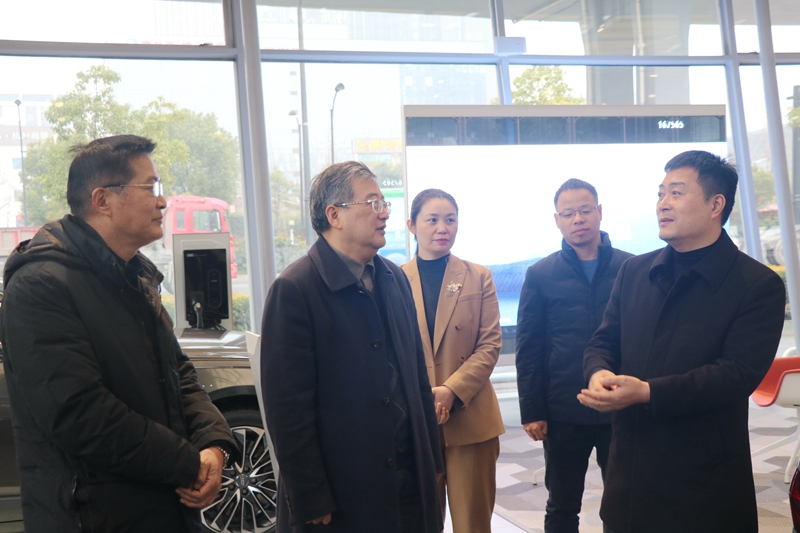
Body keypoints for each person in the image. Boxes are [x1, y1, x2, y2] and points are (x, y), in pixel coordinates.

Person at [0, 135, 239, 533]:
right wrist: (186, 463)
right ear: (103, 200)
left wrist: (214, 446)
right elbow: (80, 415)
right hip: (93, 516)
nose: (163, 201)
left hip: (164, 508)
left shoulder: (135, 275)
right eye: (151, 188)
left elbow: (179, 373)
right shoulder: (41, 285)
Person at [578, 150, 786, 533]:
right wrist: (599, 372)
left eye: (676, 193)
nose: (662, 204)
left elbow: (735, 375)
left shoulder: (757, 284)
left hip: (703, 486)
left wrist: (646, 392)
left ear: (715, 204)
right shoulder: (635, 271)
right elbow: (603, 340)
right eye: (660, 193)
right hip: (630, 480)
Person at [260, 161, 444, 533]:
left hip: (409, 481)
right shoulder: (295, 289)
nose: (385, 213)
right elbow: (287, 410)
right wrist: (310, 495)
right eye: (373, 203)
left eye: (384, 204)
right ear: (335, 215)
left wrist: (431, 461)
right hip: (343, 495)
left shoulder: (394, 277)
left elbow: (416, 377)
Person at [516, 179, 632, 532]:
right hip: (563, 409)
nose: (578, 219)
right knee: (562, 505)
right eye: (568, 213)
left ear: (600, 212)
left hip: (620, 405)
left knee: (625, 502)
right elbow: (529, 348)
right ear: (557, 220)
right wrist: (533, 410)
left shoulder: (631, 267)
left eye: (584, 210)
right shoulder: (541, 274)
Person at [401, 189, 504, 533]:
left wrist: (450, 391)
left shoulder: (479, 276)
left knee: (473, 524)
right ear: (412, 226)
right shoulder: (394, 280)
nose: (442, 228)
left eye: (450, 220)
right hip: (416, 421)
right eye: (432, 220)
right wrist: (424, 396)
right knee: (418, 523)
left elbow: (489, 345)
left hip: (470, 417)